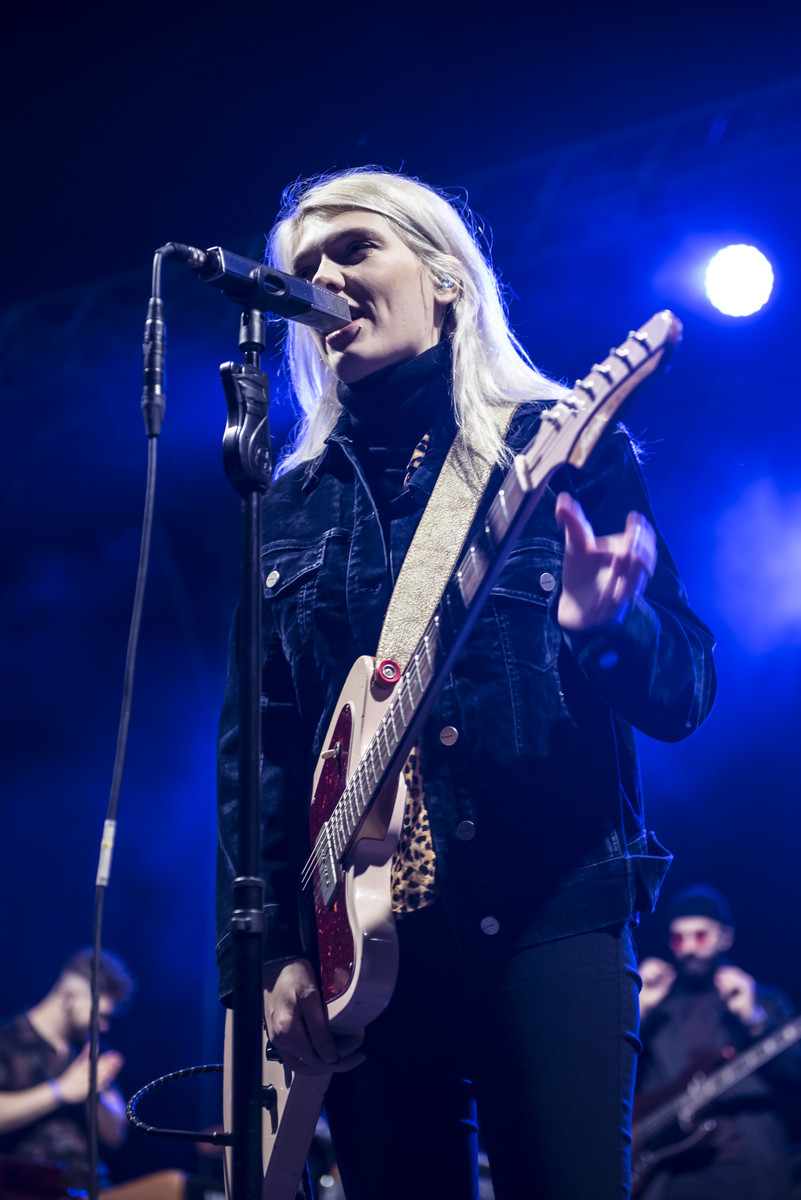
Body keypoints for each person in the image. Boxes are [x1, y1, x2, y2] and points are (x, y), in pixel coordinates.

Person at [215, 168, 717, 1199]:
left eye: (355, 249)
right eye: (305, 266)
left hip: (546, 909)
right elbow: (257, 759)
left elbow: (686, 690)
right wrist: (265, 963)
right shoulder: (286, 507)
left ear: (445, 278)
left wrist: (608, 627)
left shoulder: (556, 447)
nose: (324, 280)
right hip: (352, 958)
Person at [636, 884, 801, 1200]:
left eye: (700, 936)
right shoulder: (658, 1011)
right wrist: (639, 1012)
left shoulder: (765, 1003)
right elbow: (612, 1082)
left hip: (753, 1169)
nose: (688, 948)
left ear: (725, 937)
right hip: (675, 1176)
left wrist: (754, 1020)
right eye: (678, 938)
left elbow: (795, 1079)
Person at [0, 948, 133, 1190]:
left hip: (93, 1188)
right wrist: (61, 1091)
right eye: (101, 1015)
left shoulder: (89, 1049)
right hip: (25, 1190)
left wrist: (95, 1092)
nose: (104, 1026)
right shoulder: (6, 1039)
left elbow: (115, 1134)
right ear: (69, 995)